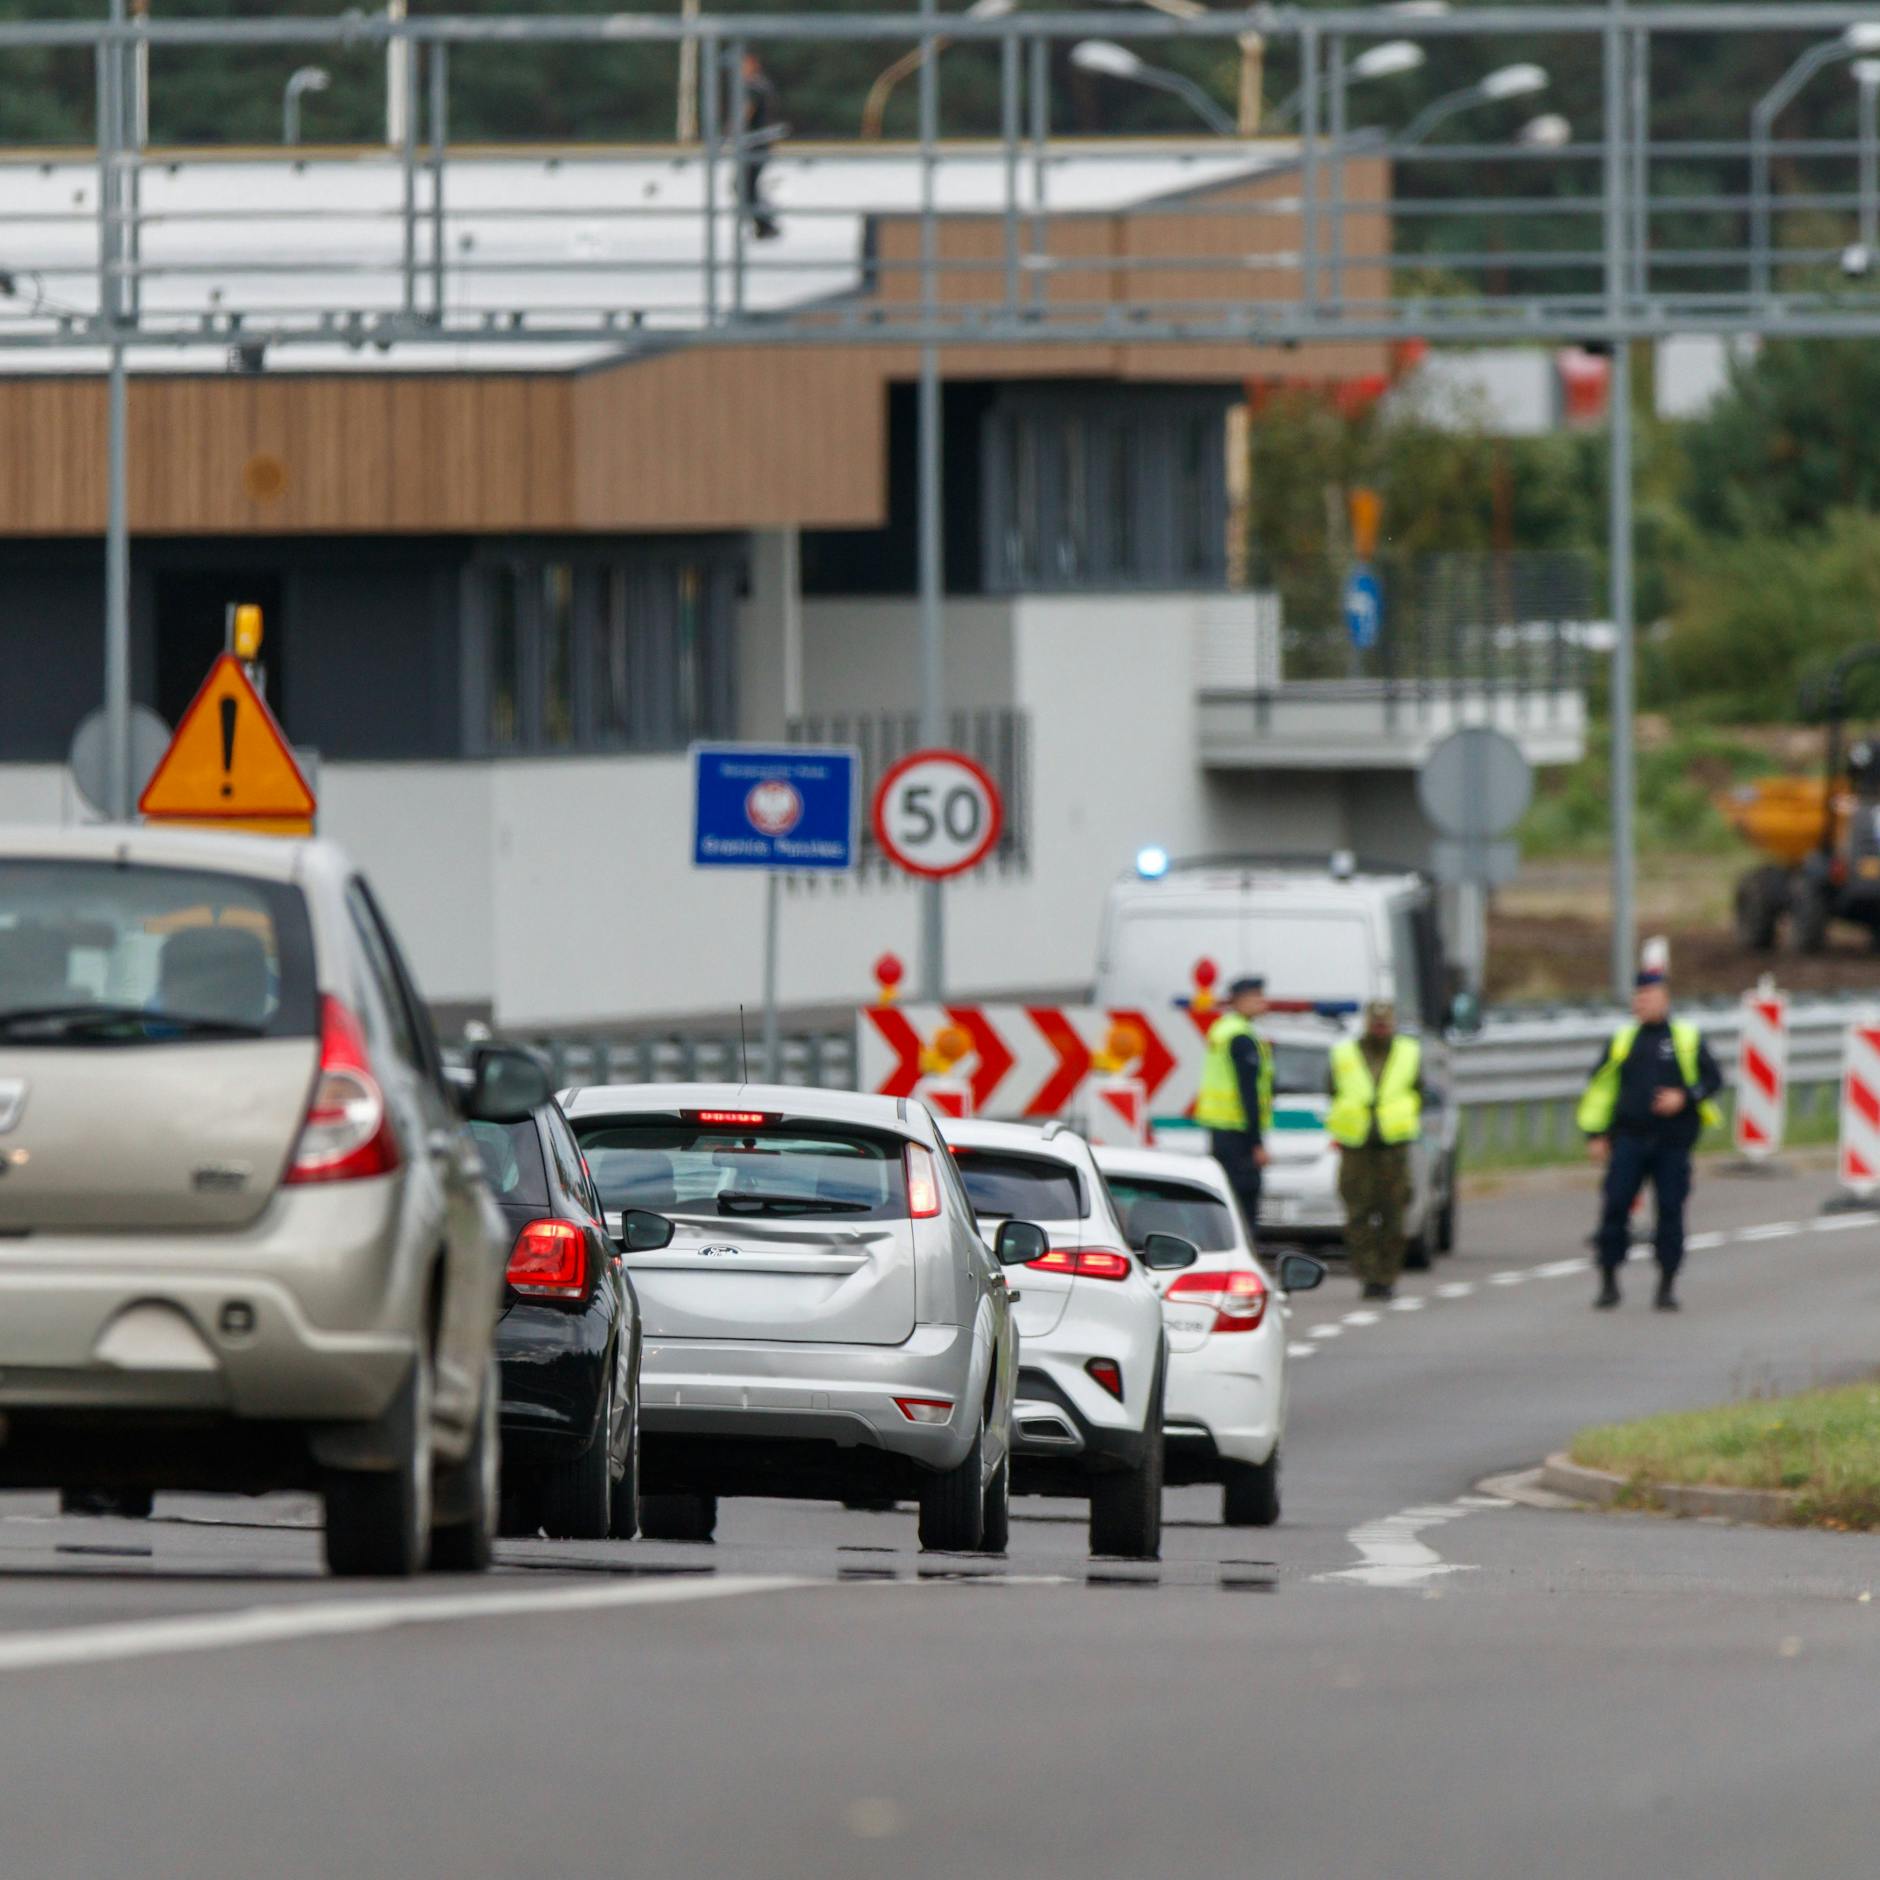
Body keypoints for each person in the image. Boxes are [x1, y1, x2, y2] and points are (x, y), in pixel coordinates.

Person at [1576, 967, 1722, 1312]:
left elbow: (1713, 1080)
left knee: (1670, 1211)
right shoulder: (1623, 1040)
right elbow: (1600, 1089)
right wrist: (1595, 1134)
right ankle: (1609, 1281)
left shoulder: (1686, 1038)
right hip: (1628, 1138)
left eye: (1649, 997)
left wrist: (1683, 1097)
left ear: (1665, 1000)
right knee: (1614, 1205)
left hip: (1672, 1142)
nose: (1642, 1003)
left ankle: (1666, 1286)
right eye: (1637, 998)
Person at [1327, 998, 1423, 1301]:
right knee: (1358, 1215)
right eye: (1376, 1022)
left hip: (1393, 1146)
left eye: (1386, 1022)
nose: (1381, 1027)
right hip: (1357, 1146)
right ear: (1367, 1023)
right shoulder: (1345, 1053)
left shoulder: (1408, 1053)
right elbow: (1332, 1089)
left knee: (1394, 1215)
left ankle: (1386, 1276)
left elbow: (1416, 1089)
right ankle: (1367, 1275)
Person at [1194, 975, 1275, 1242]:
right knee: (1245, 1199)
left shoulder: (1223, 1028)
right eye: (1256, 997)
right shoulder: (1241, 1037)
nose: (1262, 1002)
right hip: (1238, 1134)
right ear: (1239, 1001)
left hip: (1221, 1130)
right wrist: (1257, 1143)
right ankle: (1242, 1252)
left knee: (1225, 1196)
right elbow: (1248, 1092)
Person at [737, 53, 782, 240]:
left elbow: (747, 111)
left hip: (754, 142)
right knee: (748, 186)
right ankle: (763, 223)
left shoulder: (753, 86)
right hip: (761, 142)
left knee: (746, 187)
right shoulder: (763, 85)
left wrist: (732, 131)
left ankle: (765, 223)